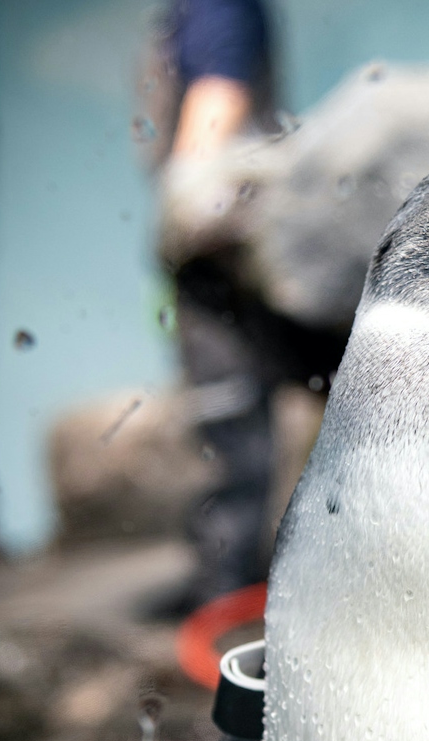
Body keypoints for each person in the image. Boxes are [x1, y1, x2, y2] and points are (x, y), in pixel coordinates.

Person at [150, 0, 280, 611]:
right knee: (224, 405)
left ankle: (227, 590)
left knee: (226, 403)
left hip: (219, 224)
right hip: (219, 227)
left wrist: (183, 197)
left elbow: (219, 92)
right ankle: (225, 577)